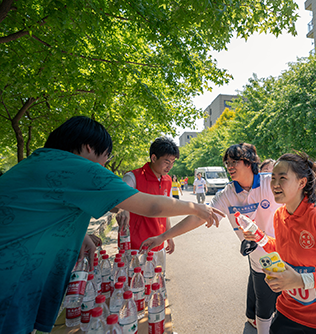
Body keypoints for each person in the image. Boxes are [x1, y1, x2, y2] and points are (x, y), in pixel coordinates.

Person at [0, 116, 223, 334]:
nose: (105, 163)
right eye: (107, 155)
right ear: (88, 147)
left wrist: (81, 236)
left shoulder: (39, 162)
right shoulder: (78, 168)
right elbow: (150, 206)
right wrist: (195, 207)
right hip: (12, 280)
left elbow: (47, 210)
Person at [141, 143, 282, 333]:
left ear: (249, 162)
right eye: (227, 163)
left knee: (287, 311)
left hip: (286, 258)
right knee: (263, 312)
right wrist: (163, 237)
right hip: (259, 263)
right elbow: (197, 217)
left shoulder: (270, 183)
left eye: (234, 162)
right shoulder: (227, 195)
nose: (229, 167)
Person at [242, 152, 316, 333]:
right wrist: (259, 237)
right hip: (289, 311)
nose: (274, 184)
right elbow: (284, 249)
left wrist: (301, 280)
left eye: (282, 178)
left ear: (301, 183)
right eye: (273, 178)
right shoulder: (279, 215)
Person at [116, 136, 179, 272]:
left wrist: (169, 236)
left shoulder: (167, 180)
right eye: (167, 161)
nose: (170, 166)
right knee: (135, 285)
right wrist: (123, 208)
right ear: (154, 158)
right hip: (136, 246)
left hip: (159, 243)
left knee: (156, 284)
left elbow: (166, 211)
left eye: (173, 162)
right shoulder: (133, 177)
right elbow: (118, 199)